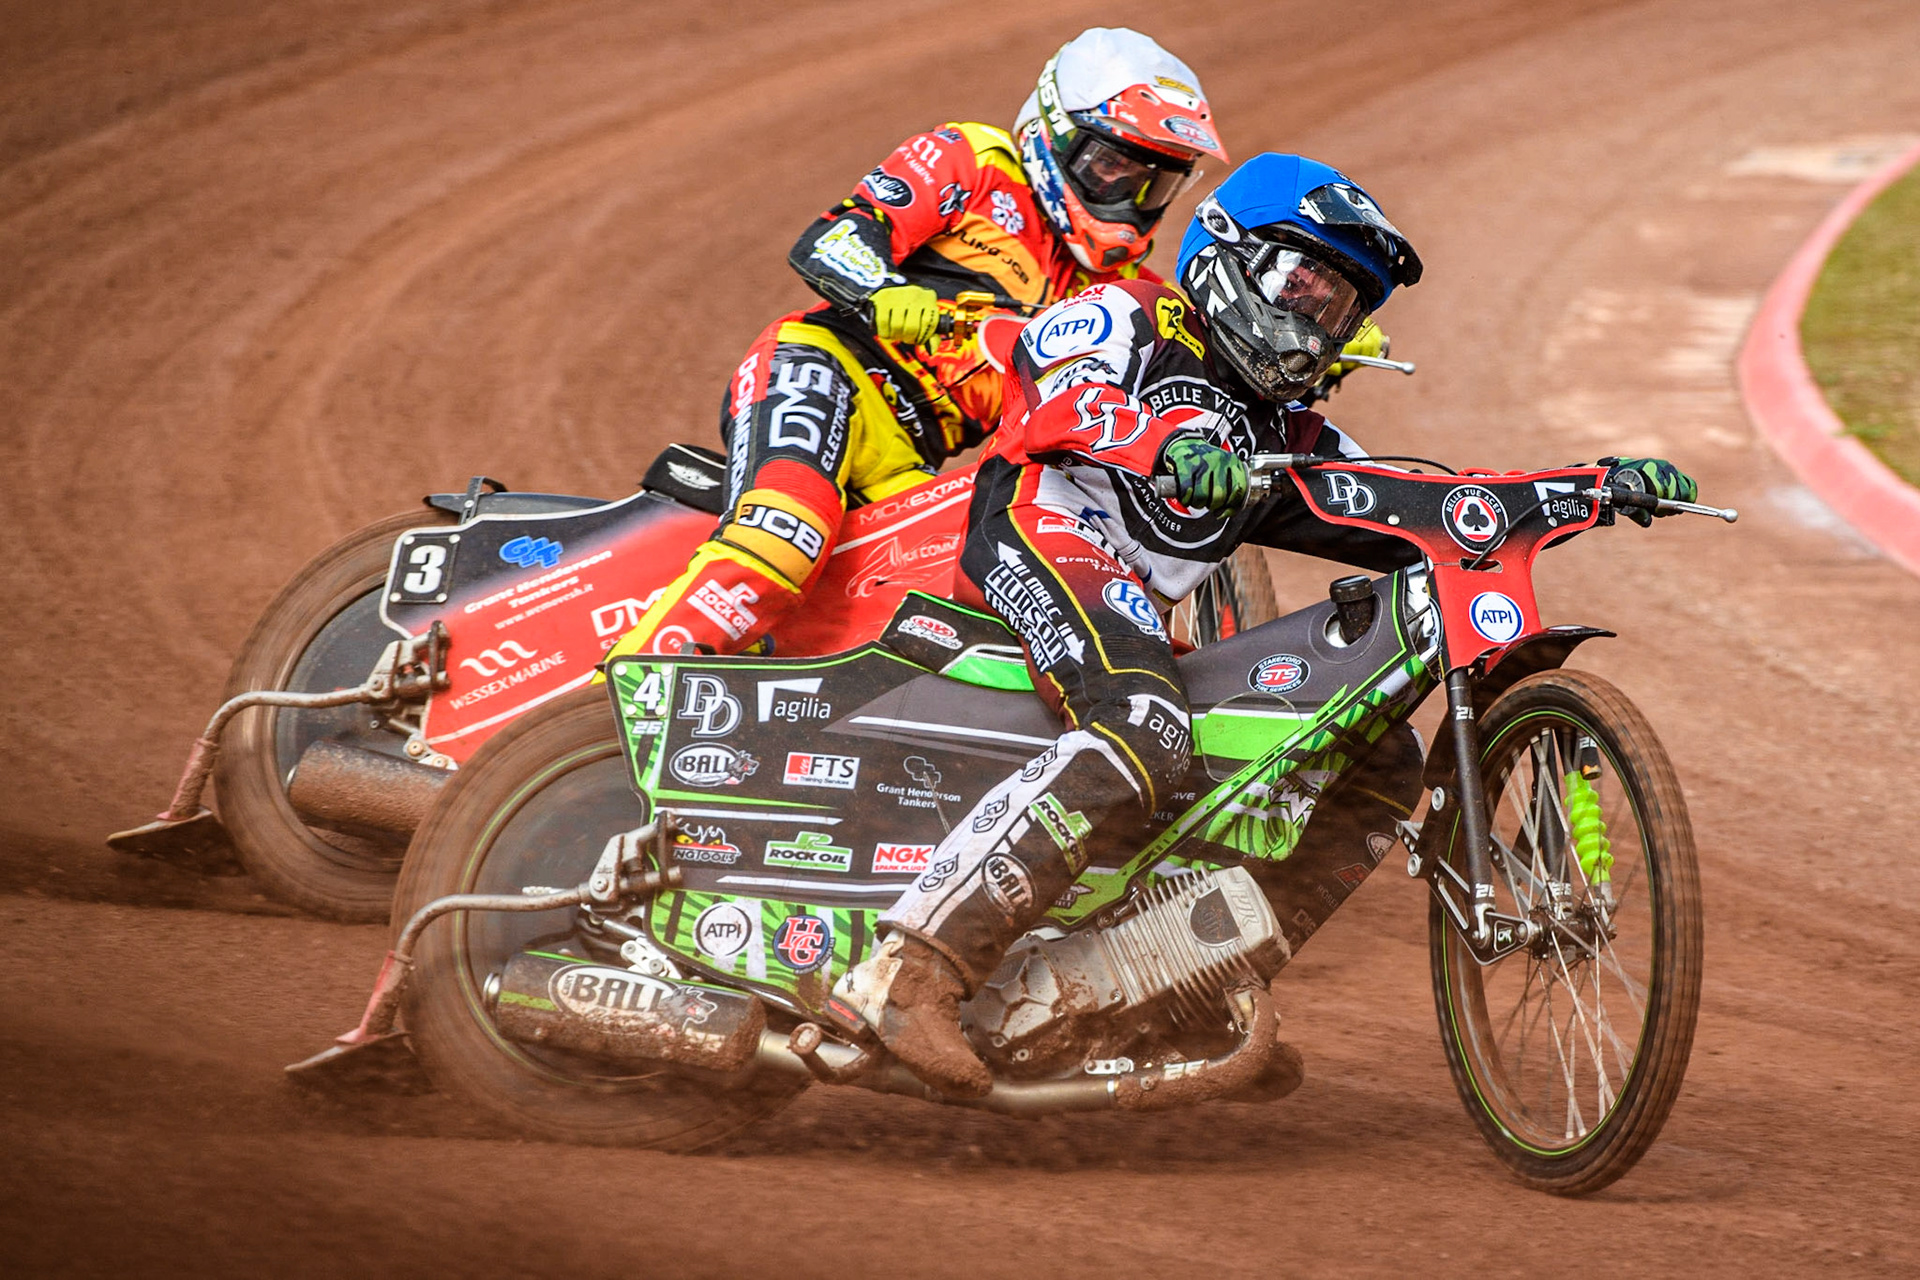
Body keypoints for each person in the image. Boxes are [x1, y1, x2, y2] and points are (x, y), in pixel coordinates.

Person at [829, 152, 1700, 1097]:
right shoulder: (1125, 313)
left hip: (1129, 598)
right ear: (1226, 254)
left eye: (1338, 307)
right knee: (1145, 726)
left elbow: (1429, 502)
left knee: (1379, 764)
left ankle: (1168, 988)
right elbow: (1060, 395)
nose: (1313, 321)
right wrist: (1167, 441)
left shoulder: (1288, 431)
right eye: (1301, 283)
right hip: (1039, 528)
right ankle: (906, 978)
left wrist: (1587, 486)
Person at [605, 28, 1233, 659]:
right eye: (1112, 167)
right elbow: (834, 237)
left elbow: (1208, 365)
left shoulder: (1129, 289)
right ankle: (613, 704)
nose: (1129, 198)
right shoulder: (977, 161)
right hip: (826, 373)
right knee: (784, 537)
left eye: (1154, 184)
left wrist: (1308, 355)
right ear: (1053, 131)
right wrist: (878, 289)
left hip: (914, 457)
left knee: (939, 609)